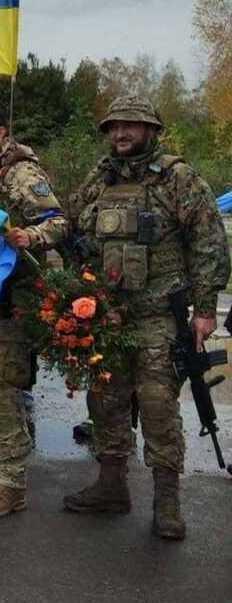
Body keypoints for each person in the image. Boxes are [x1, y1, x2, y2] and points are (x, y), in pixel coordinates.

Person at [64, 95, 230, 539]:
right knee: (106, 401)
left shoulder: (178, 179)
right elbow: (71, 222)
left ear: (151, 131)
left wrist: (204, 311)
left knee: (157, 405)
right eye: (114, 127)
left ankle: (167, 501)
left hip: (160, 315)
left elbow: (210, 243)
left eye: (130, 127)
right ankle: (112, 485)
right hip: (108, 316)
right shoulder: (99, 179)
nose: (120, 134)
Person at [0, 106, 70, 519]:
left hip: (16, 297)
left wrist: (31, 234)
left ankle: (12, 484)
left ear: (0, 132)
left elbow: (59, 222)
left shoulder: (21, 172)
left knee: (5, 387)